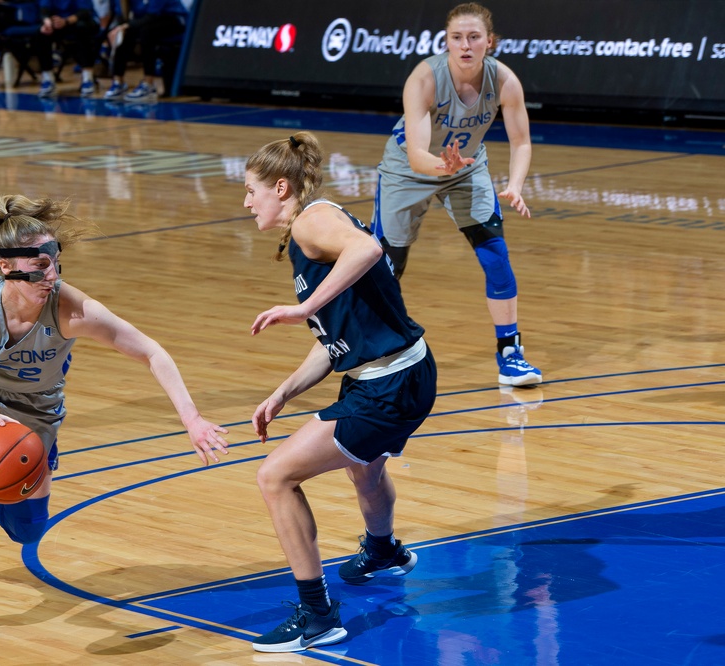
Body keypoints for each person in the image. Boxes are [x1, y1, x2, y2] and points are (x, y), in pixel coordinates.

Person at [0, 194, 229, 648]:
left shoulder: (71, 309)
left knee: (28, 530)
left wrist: (192, 419)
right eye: (38, 266)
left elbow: (151, 352)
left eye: (55, 260)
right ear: (7, 268)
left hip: (35, 416)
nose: (51, 275)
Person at [243, 131, 436, 653]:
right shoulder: (308, 234)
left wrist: (303, 309)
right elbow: (335, 345)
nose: (246, 201)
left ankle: (317, 616)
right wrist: (283, 392)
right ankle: (383, 551)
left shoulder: (310, 221)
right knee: (363, 465)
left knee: (275, 476)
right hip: (398, 374)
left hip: (388, 385)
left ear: (280, 188)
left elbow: (369, 248)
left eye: (251, 190)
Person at [371, 1, 541, 387]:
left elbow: (522, 142)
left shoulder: (504, 81)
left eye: (474, 37)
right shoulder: (424, 79)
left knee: (495, 255)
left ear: (490, 42)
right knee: (385, 268)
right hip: (407, 171)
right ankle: (376, 349)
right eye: (457, 38)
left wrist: (514, 185)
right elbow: (416, 155)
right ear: (446, 42)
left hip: (466, 167)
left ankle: (510, 353)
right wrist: (441, 165)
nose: (465, 45)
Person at [102, 0, 186, 102]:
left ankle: (149, 84)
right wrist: (120, 29)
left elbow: (152, 16)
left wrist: (126, 26)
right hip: (149, 22)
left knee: (146, 32)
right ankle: (118, 82)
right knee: (124, 34)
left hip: (175, 19)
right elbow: (126, 17)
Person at [35, 0, 103, 97]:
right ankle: (48, 78)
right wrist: (47, 22)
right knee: (41, 33)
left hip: (83, 20)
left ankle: (88, 77)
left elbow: (84, 12)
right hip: (59, 22)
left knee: (82, 29)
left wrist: (66, 21)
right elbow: (44, 8)